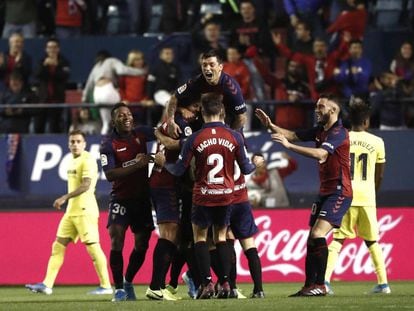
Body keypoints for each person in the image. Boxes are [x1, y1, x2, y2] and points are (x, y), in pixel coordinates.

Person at [155, 93, 256, 299]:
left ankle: (207, 284)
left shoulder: (194, 137)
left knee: (200, 238)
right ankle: (227, 283)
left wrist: (163, 162)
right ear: (222, 111)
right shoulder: (234, 136)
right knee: (221, 237)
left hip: (202, 196)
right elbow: (246, 169)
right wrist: (258, 163)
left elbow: (179, 170)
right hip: (226, 196)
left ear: (202, 111)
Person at [255, 93, 353, 297]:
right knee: (311, 239)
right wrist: (271, 125)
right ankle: (309, 285)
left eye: (321, 107)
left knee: (318, 235)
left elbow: (321, 154)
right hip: (325, 191)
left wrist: (289, 148)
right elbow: (292, 135)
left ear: (333, 110)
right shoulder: (320, 131)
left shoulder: (339, 132)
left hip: (339, 192)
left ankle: (321, 285)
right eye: (317, 106)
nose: (317, 110)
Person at [25, 130, 112, 295]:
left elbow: (86, 185)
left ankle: (106, 286)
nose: (75, 144)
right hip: (72, 211)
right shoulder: (72, 161)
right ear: (68, 144)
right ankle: (47, 284)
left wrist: (65, 197)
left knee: (93, 247)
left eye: (79, 141)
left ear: (84, 144)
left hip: (85, 210)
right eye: (72, 142)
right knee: (58, 245)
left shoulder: (88, 160)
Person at [324, 97, 391, 295]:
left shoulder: (341, 138)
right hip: (367, 197)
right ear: (366, 121)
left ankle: (325, 282)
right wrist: (372, 193)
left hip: (345, 194)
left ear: (349, 120)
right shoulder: (377, 142)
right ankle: (383, 284)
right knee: (372, 241)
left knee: (337, 240)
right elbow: (380, 174)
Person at [145, 100, 202, 301]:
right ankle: (156, 287)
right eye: (194, 107)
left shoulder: (169, 123)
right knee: (170, 235)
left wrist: (157, 133)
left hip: (162, 182)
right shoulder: (182, 126)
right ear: (181, 107)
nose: (196, 112)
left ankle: (167, 284)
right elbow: (175, 144)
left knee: (178, 238)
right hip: (167, 183)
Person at [99, 103, 156, 302]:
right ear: (114, 120)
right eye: (121, 115)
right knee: (116, 238)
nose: (127, 118)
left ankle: (129, 280)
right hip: (120, 198)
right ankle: (119, 289)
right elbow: (109, 174)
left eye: (129, 114)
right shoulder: (108, 144)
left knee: (142, 244)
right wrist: (136, 163)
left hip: (142, 199)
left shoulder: (141, 133)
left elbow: (164, 133)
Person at [166, 49, 248, 138]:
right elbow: (174, 98)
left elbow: (241, 117)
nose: (207, 68)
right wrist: (170, 122)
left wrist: (229, 136)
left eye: (211, 65)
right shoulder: (197, 82)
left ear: (220, 67)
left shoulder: (231, 87)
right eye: (204, 65)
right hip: (206, 122)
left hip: (229, 124)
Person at [83, 50, 146, 135]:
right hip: (108, 91)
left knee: (106, 122)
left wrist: (83, 101)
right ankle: (122, 132)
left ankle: (103, 139)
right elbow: (122, 70)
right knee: (124, 103)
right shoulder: (111, 60)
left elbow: (88, 86)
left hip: (97, 94)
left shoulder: (96, 66)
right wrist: (142, 71)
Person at [33, 38, 71, 133]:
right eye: (49, 47)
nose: (52, 50)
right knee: (38, 126)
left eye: (54, 47)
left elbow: (64, 76)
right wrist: (45, 65)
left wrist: (57, 65)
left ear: (58, 49)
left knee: (55, 127)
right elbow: (37, 75)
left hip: (57, 100)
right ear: (46, 49)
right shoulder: (41, 62)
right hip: (42, 100)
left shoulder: (64, 62)